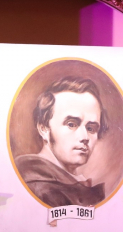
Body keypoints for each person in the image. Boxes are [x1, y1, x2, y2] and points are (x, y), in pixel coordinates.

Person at [14, 77, 107, 208]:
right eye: (71, 124)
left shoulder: (76, 184)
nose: (84, 136)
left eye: (91, 128)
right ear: (43, 129)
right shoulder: (36, 187)